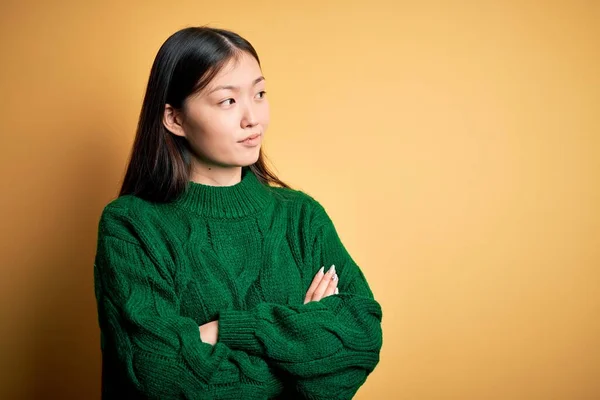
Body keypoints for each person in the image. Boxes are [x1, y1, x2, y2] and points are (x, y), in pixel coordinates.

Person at [93, 26, 383, 399]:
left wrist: (228, 330)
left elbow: (361, 339)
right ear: (174, 119)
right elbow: (163, 376)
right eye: (228, 101)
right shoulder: (131, 226)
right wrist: (304, 345)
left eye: (260, 94)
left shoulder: (302, 217)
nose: (253, 118)